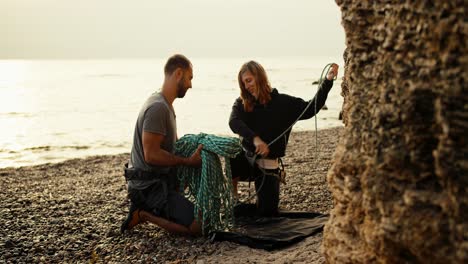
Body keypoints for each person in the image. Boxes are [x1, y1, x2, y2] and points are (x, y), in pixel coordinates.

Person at [229, 60, 338, 216]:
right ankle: (233, 197)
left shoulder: (283, 103)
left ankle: (251, 205)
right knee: (231, 153)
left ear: (259, 77)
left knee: (267, 213)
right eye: (243, 83)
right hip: (247, 161)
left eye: (249, 81)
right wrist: (255, 139)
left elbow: (310, 108)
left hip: (268, 165)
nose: (246, 86)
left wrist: (327, 81)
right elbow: (233, 122)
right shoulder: (242, 103)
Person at [120, 54, 203, 236]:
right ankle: (142, 214)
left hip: (159, 181)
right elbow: (151, 155)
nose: (190, 84)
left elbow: (171, 146)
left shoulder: (165, 104)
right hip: (147, 187)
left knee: (206, 216)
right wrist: (187, 162)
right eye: (190, 78)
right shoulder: (158, 107)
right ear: (179, 74)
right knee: (200, 226)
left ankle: (161, 207)